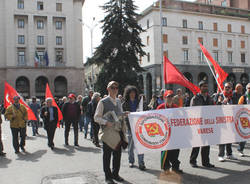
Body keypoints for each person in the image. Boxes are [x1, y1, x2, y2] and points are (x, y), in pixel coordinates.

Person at [94, 81, 127, 184]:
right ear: (108, 89)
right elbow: (96, 117)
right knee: (107, 156)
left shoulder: (118, 101)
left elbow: (119, 114)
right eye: (112, 87)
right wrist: (105, 122)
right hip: (107, 133)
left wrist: (124, 114)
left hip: (118, 132)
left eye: (116, 88)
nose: (115, 89)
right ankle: (108, 177)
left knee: (117, 155)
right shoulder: (102, 102)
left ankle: (115, 174)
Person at [189, 81, 215, 168]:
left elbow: (214, 109)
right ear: (200, 88)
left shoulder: (210, 98)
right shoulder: (195, 98)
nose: (205, 88)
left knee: (206, 144)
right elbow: (192, 111)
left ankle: (205, 162)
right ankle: (193, 161)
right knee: (196, 143)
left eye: (206, 86)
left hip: (207, 124)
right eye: (204, 86)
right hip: (198, 124)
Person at [157, 90, 183, 174]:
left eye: (171, 96)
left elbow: (180, 119)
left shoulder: (176, 107)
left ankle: (175, 167)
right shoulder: (160, 107)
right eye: (168, 97)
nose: (170, 98)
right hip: (164, 134)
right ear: (165, 98)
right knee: (165, 151)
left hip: (174, 134)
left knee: (175, 151)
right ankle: (166, 168)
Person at [122, 85, 146, 171]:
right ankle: (131, 161)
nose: (132, 94)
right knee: (131, 146)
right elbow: (122, 114)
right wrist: (125, 114)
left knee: (140, 146)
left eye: (134, 93)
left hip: (140, 126)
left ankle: (141, 163)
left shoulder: (140, 102)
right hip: (130, 126)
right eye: (131, 93)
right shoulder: (124, 104)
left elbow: (145, 112)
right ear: (128, 94)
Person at [215, 82, 237, 162]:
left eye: (229, 87)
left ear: (231, 88)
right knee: (223, 138)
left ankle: (229, 154)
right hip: (222, 121)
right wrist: (221, 102)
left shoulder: (233, 97)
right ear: (223, 88)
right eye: (226, 87)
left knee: (230, 138)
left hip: (230, 121)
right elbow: (213, 108)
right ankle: (221, 155)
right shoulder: (219, 95)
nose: (227, 88)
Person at [237, 83, 250, 157]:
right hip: (245, 118)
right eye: (249, 88)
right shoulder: (243, 97)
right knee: (244, 135)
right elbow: (239, 107)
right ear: (246, 89)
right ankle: (240, 149)